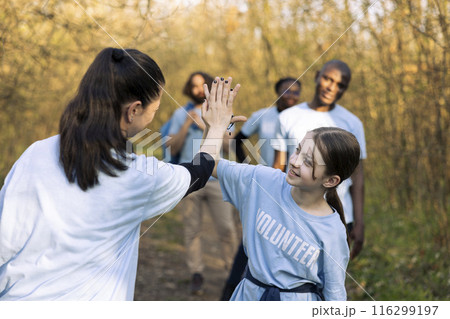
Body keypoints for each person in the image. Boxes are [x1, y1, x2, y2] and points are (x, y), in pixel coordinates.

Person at [0, 48, 243, 300]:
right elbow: (198, 172)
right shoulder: (138, 176)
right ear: (133, 110)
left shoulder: (35, 153)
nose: (154, 116)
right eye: (155, 109)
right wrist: (216, 127)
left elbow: (5, 241)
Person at [214, 127, 361, 300]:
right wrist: (214, 125)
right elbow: (211, 165)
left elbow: (334, 293)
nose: (295, 161)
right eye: (297, 150)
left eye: (308, 162)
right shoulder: (263, 181)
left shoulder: (333, 230)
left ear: (330, 180)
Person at [273, 60, 366, 260]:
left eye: (340, 85)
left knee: (329, 280)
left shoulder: (352, 123)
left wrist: (359, 221)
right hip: (293, 213)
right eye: (328, 79)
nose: (332, 87)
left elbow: (357, 179)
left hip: (339, 217)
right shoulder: (287, 117)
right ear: (317, 76)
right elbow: (278, 168)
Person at [220, 77, 301, 300]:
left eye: (296, 92)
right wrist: (248, 168)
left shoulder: (304, 119)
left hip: (299, 192)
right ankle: (229, 295)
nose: (291, 96)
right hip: (267, 188)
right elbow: (238, 140)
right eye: (286, 91)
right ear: (277, 93)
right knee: (252, 242)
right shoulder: (262, 116)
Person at [165, 72, 239, 295]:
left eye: (201, 85)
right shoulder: (180, 113)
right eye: (194, 86)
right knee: (192, 229)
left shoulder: (222, 112)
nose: (198, 89)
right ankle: (196, 273)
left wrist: (213, 126)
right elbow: (172, 148)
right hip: (190, 178)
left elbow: (228, 148)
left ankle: (234, 276)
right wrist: (187, 124)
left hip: (217, 179)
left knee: (226, 228)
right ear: (189, 89)